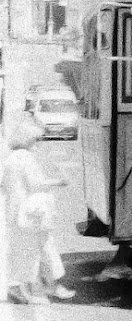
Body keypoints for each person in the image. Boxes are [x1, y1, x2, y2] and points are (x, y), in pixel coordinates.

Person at [2, 118, 74, 304]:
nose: (37, 143)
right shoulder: (26, 157)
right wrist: (60, 181)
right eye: (35, 139)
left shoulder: (10, 158)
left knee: (30, 250)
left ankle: (24, 288)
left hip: (15, 211)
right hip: (31, 213)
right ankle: (39, 289)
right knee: (39, 249)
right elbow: (36, 184)